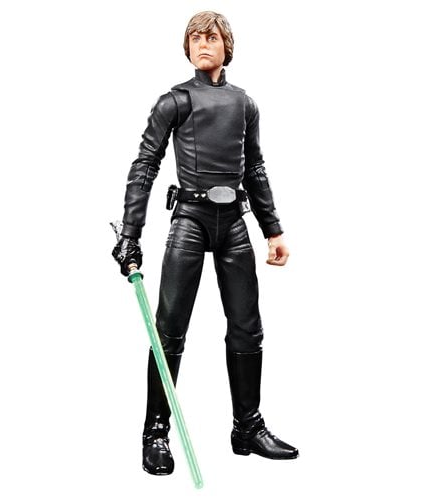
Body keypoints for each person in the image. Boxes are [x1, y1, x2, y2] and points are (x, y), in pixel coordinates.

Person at [113, 11, 299, 476]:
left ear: (226, 46)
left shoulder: (244, 104)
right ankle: (156, 433)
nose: (202, 43)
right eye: (194, 37)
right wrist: (130, 233)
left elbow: (254, 167)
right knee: (169, 330)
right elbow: (145, 165)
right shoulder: (174, 101)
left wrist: (272, 229)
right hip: (190, 220)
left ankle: (247, 427)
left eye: (211, 37)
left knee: (247, 328)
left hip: (234, 223)